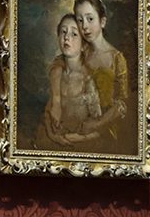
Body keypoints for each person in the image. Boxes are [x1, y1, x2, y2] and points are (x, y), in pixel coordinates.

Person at [72, 0, 131, 152]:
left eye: (90, 19)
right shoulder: (78, 55)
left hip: (107, 132)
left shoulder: (117, 58)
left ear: (102, 21)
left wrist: (97, 124)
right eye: (80, 20)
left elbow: (122, 104)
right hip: (79, 127)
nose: (84, 26)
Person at [34, 14, 103, 150]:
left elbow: (98, 128)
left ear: (84, 44)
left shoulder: (88, 80)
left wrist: (76, 138)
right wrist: (53, 136)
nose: (66, 37)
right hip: (55, 139)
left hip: (78, 145)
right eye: (63, 32)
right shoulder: (57, 72)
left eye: (74, 34)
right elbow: (49, 113)